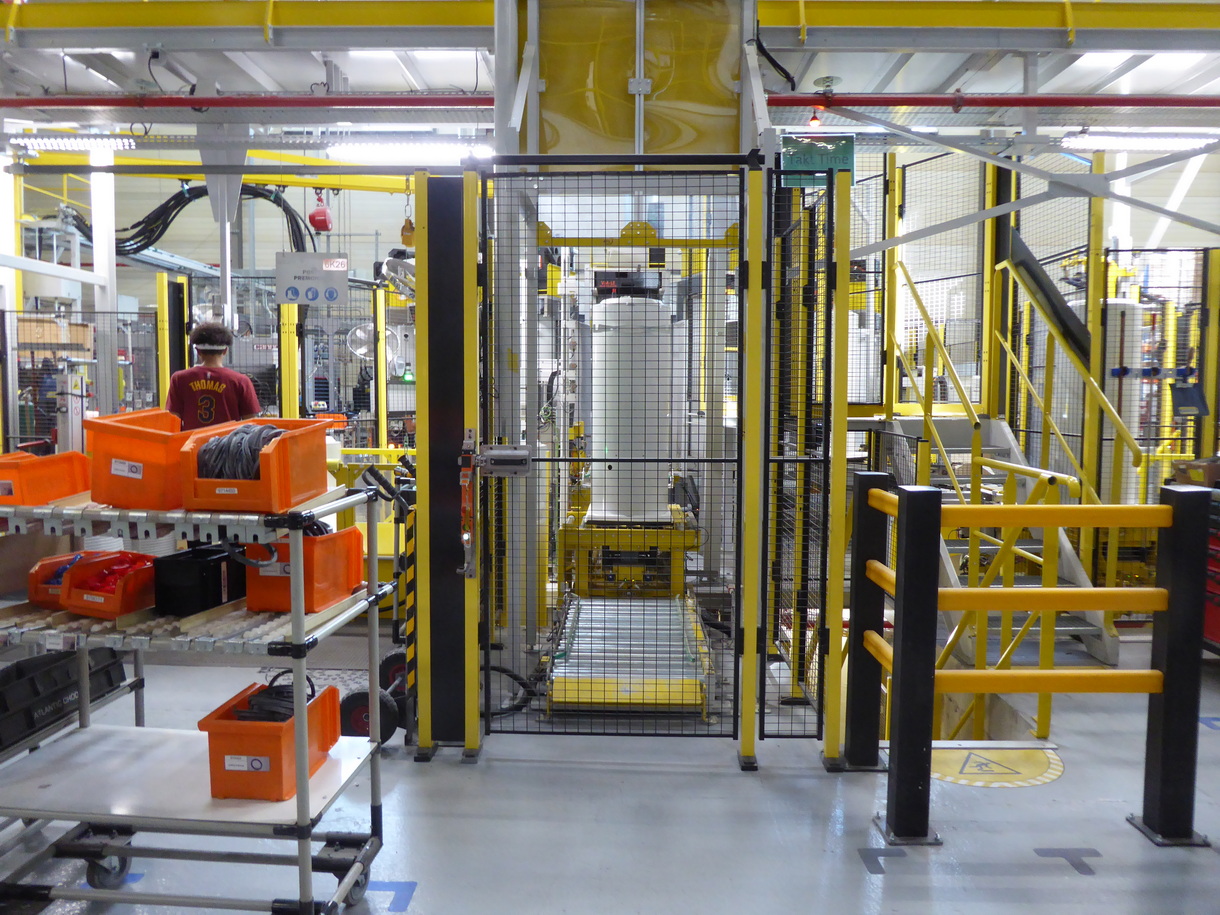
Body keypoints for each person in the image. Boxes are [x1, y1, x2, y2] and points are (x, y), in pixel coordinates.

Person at [165, 322, 260, 430]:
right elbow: (251, 422)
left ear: (198, 351)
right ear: (225, 351)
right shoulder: (241, 381)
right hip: (227, 445)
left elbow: (173, 419)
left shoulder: (179, 379)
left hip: (190, 444)